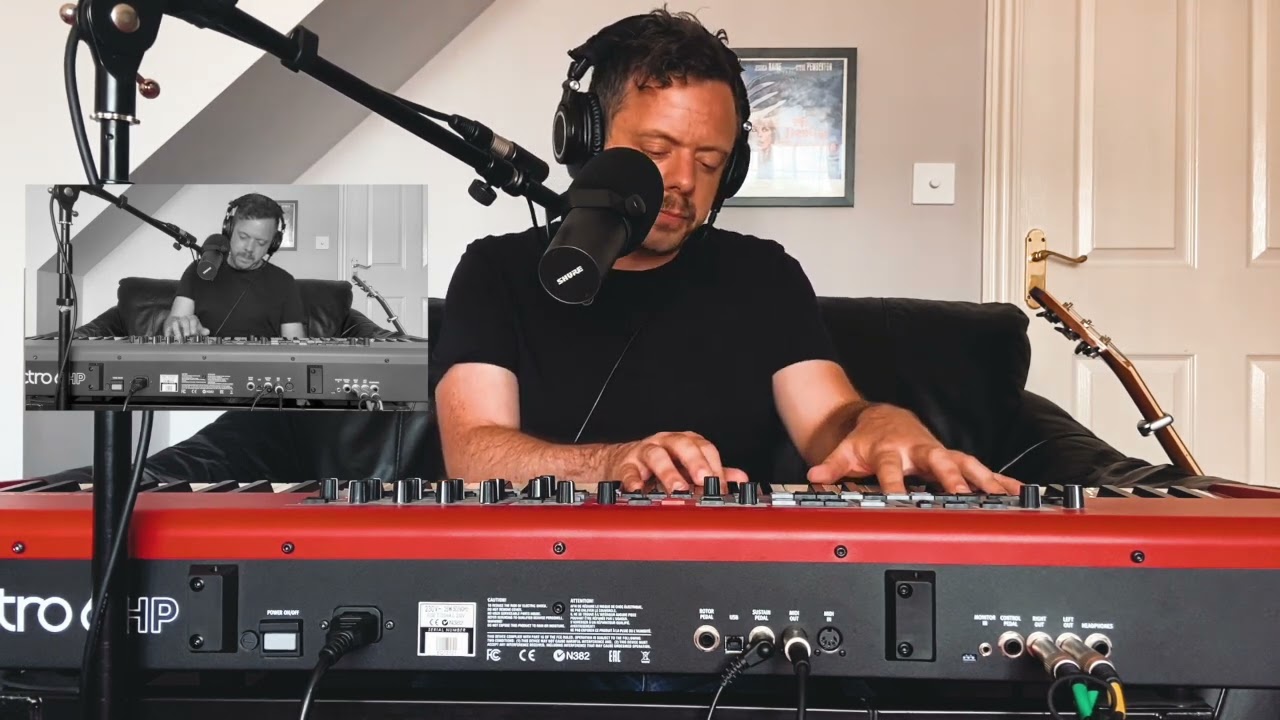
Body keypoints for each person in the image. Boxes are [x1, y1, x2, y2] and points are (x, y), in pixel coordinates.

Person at [431, 8, 1021, 497]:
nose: (685, 181)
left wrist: (882, 424)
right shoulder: (495, 270)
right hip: (544, 572)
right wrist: (612, 463)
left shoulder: (764, 275)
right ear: (586, 141)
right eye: (656, 151)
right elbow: (474, 454)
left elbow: (831, 422)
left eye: (711, 161)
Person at [162, 192, 307, 340]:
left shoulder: (284, 282)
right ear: (229, 230)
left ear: (273, 244)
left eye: (261, 242)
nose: (249, 248)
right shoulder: (201, 269)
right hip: (206, 356)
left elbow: (295, 345)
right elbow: (174, 321)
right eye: (243, 237)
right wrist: (179, 327)